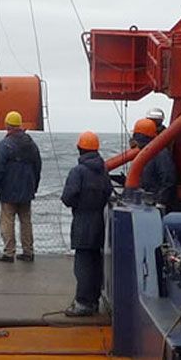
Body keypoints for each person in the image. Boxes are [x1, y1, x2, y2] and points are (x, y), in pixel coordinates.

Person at [61, 131, 112, 317]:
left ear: (80, 149)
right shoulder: (103, 169)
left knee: (82, 264)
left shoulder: (78, 171)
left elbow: (68, 197)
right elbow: (109, 191)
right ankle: (93, 301)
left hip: (83, 220)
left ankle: (83, 303)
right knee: (95, 262)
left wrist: (77, 203)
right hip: (99, 221)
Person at [0, 110, 42, 263]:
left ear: (7, 126)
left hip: (8, 191)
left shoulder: (5, 145)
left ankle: (9, 253)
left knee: (7, 221)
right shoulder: (31, 144)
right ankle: (28, 252)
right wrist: (34, 187)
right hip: (27, 190)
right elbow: (38, 167)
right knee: (26, 221)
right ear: (20, 125)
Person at [133, 118, 177, 206]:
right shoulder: (146, 152)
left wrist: (160, 201)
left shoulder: (160, 153)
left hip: (154, 203)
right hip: (146, 200)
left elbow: (168, 179)